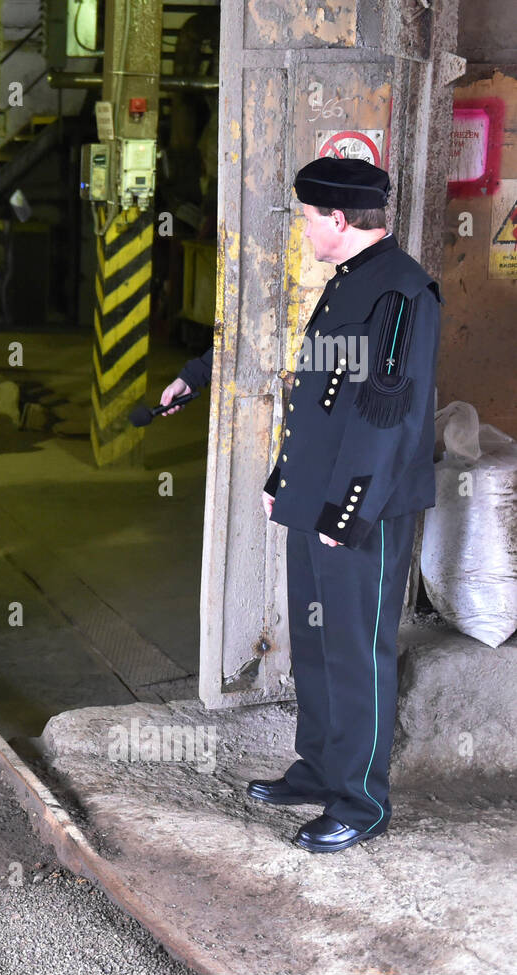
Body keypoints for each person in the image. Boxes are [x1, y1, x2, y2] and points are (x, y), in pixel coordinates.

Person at [249, 157, 441, 853]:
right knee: (317, 639)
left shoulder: (402, 292)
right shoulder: (352, 281)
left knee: (360, 650)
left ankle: (361, 801)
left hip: (364, 511)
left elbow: (385, 418)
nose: (302, 230)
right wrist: (284, 477)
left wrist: (347, 512)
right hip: (317, 498)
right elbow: (321, 396)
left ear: (337, 219)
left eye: (305, 219)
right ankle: (320, 766)